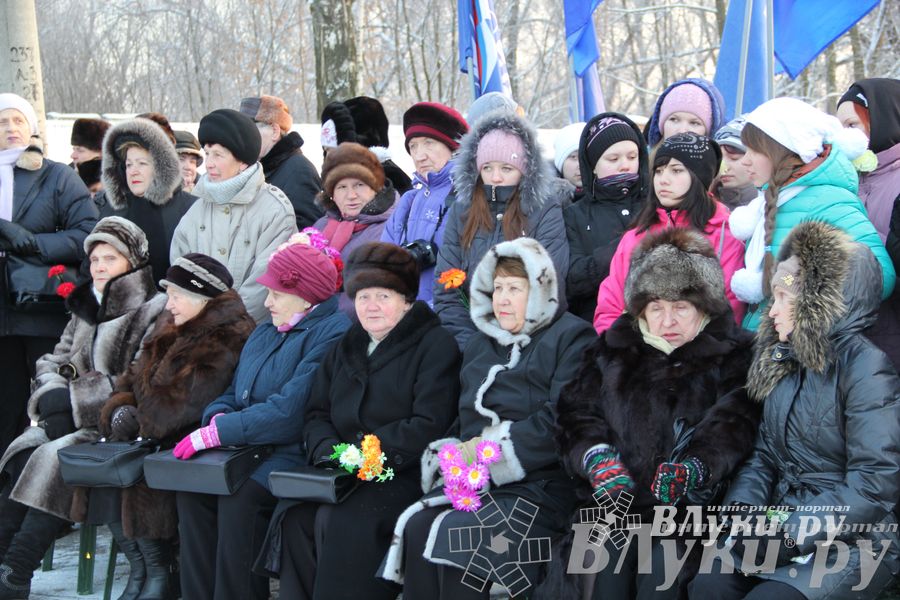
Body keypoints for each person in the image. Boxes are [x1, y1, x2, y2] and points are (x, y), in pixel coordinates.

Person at [688, 221, 900, 600]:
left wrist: (788, 532)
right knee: (708, 585)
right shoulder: (784, 359)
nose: (772, 312)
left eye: (785, 300)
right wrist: (743, 515)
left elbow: (873, 484)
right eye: (775, 298)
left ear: (820, 305)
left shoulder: (866, 370)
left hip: (855, 539)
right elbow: (765, 454)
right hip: (781, 522)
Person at [549, 228, 757, 600]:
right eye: (656, 308)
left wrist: (695, 467)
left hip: (690, 513)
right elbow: (575, 414)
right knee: (600, 569)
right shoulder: (613, 349)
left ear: (704, 307)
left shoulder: (734, 354)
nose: (667, 321)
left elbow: (735, 421)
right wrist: (595, 458)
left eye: (681, 307)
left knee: (661, 572)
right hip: (615, 503)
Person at [385, 237, 595, 598]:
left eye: (515, 288)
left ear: (540, 290)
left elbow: (562, 420)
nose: (502, 298)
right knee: (418, 527)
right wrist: (453, 454)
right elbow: (463, 419)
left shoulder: (572, 336)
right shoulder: (482, 343)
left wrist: (486, 452)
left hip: (543, 485)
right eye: (497, 288)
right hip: (481, 483)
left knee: (461, 536)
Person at [269, 242, 461, 600]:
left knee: (344, 520)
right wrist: (331, 452)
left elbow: (429, 422)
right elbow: (317, 412)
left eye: (383, 296)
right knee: (295, 516)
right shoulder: (347, 344)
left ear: (405, 299)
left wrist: (367, 455)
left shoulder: (435, 344)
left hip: (399, 472)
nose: (371, 307)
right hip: (341, 469)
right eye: (363, 296)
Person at [72, 255, 256, 600]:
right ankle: (141, 566)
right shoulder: (171, 322)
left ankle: (162, 570)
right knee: (102, 471)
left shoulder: (230, 334)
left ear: (200, 296)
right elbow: (131, 376)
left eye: (176, 295)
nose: (168, 303)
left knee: (140, 474)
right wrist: (119, 408)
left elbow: (187, 402)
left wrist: (137, 420)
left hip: (188, 439)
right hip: (148, 433)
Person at [0, 217, 165, 598]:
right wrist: (54, 397)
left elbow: (137, 380)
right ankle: (8, 569)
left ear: (134, 260)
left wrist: (74, 403)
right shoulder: (85, 306)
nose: (100, 267)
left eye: (110, 257)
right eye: (94, 259)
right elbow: (52, 361)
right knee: (23, 453)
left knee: (56, 457)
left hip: (116, 426)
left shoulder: (154, 310)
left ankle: (16, 570)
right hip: (71, 420)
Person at [175, 241, 350, 600]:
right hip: (245, 447)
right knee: (192, 492)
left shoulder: (332, 333)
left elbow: (290, 413)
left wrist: (218, 432)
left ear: (305, 296)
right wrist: (217, 418)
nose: (267, 301)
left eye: (276, 293)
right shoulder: (266, 330)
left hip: (289, 452)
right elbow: (231, 392)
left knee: (239, 499)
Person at [728, 97, 895, 331]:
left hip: (800, 352)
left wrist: (792, 286)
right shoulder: (771, 200)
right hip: (765, 344)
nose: (745, 161)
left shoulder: (827, 200)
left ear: (784, 151)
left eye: (755, 151)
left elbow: (879, 276)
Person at [0, 93, 98, 457]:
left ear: (32, 127)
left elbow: (87, 231)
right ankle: (7, 492)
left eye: (18, 121)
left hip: (40, 308)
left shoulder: (55, 175)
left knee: (51, 400)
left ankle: (52, 486)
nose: (11, 129)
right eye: (2, 122)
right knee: (5, 409)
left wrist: (31, 243)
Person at [433, 111, 570, 349]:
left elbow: (548, 282)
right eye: (487, 168)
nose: (495, 177)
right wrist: (472, 345)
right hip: (470, 337)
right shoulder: (462, 211)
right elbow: (447, 290)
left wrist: (511, 340)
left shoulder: (543, 209)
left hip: (531, 338)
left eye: (506, 168)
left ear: (524, 170)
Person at [594, 132, 745, 333]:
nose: (663, 180)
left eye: (676, 170)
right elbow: (610, 306)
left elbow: (730, 309)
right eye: (658, 170)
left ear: (699, 176)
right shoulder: (637, 234)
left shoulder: (726, 232)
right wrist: (623, 353)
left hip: (702, 355)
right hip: (638, 355)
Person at [170, 108, 297, 322]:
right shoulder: (196, 210)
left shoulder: (275, 210)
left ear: (242, 161)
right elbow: (179, 271)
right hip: (197, 333)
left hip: (251, 334)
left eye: (218, 155)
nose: (208, 163)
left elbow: (264, 283)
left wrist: (222, 325)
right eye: (207, 153)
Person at [381, 102, 469, 305]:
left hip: (448, 321)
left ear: (452, 146)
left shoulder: (470, 196)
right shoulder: (409, 201)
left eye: (429, 143)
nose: (419, 155)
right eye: (413, 146)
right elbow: (382, 266)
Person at [565, 113, 649, 322]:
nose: (625, 165)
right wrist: (624, 247)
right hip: (597, 327)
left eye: (632, 157)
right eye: (613, 159)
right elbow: (572, 281)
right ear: (593, 164)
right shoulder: (574, 214)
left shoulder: (655, 203)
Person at [95, 117, 197, 284]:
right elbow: (93, 263)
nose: (133, 171)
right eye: (128, 165)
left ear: (160, 167)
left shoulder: (190, 207)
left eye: (142, 163)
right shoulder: (112, 210)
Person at [240, 95, 324, 230]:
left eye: (250, 130)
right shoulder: (258, 168)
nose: (244, 138)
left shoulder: (299, 171)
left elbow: (307, 232)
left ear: (274, 131)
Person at [835, 77, 900, 241]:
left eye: (851, 124)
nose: (842, 136)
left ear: (884, 122)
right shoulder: (848, 178)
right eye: (839, 127)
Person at [312, 142, 398, 257]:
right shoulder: (321, 225)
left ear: (376, 188)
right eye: (342, 187)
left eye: (359, 185)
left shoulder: (389, 230)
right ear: (332, 194)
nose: (351, 195)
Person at [320, 96, 412, 194]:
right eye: (326, 150)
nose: (328, 156)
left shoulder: (390, 179)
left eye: (332, 150)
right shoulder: (338, 177)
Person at [643, 78, 726, 148]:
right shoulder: (638, 164)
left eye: (694, 123)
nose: (682, 131)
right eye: (674, 120)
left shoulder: (726, 167)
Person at [710, 117, 757, 210]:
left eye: (734, 158)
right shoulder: (701, 204)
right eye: (718, 159)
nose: (723, 167)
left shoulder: (774, 205)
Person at [553, 122, 586, 200]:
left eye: (586, 157)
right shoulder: (545, 200)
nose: (581, 165)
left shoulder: (609, 196)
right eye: (573, 157)